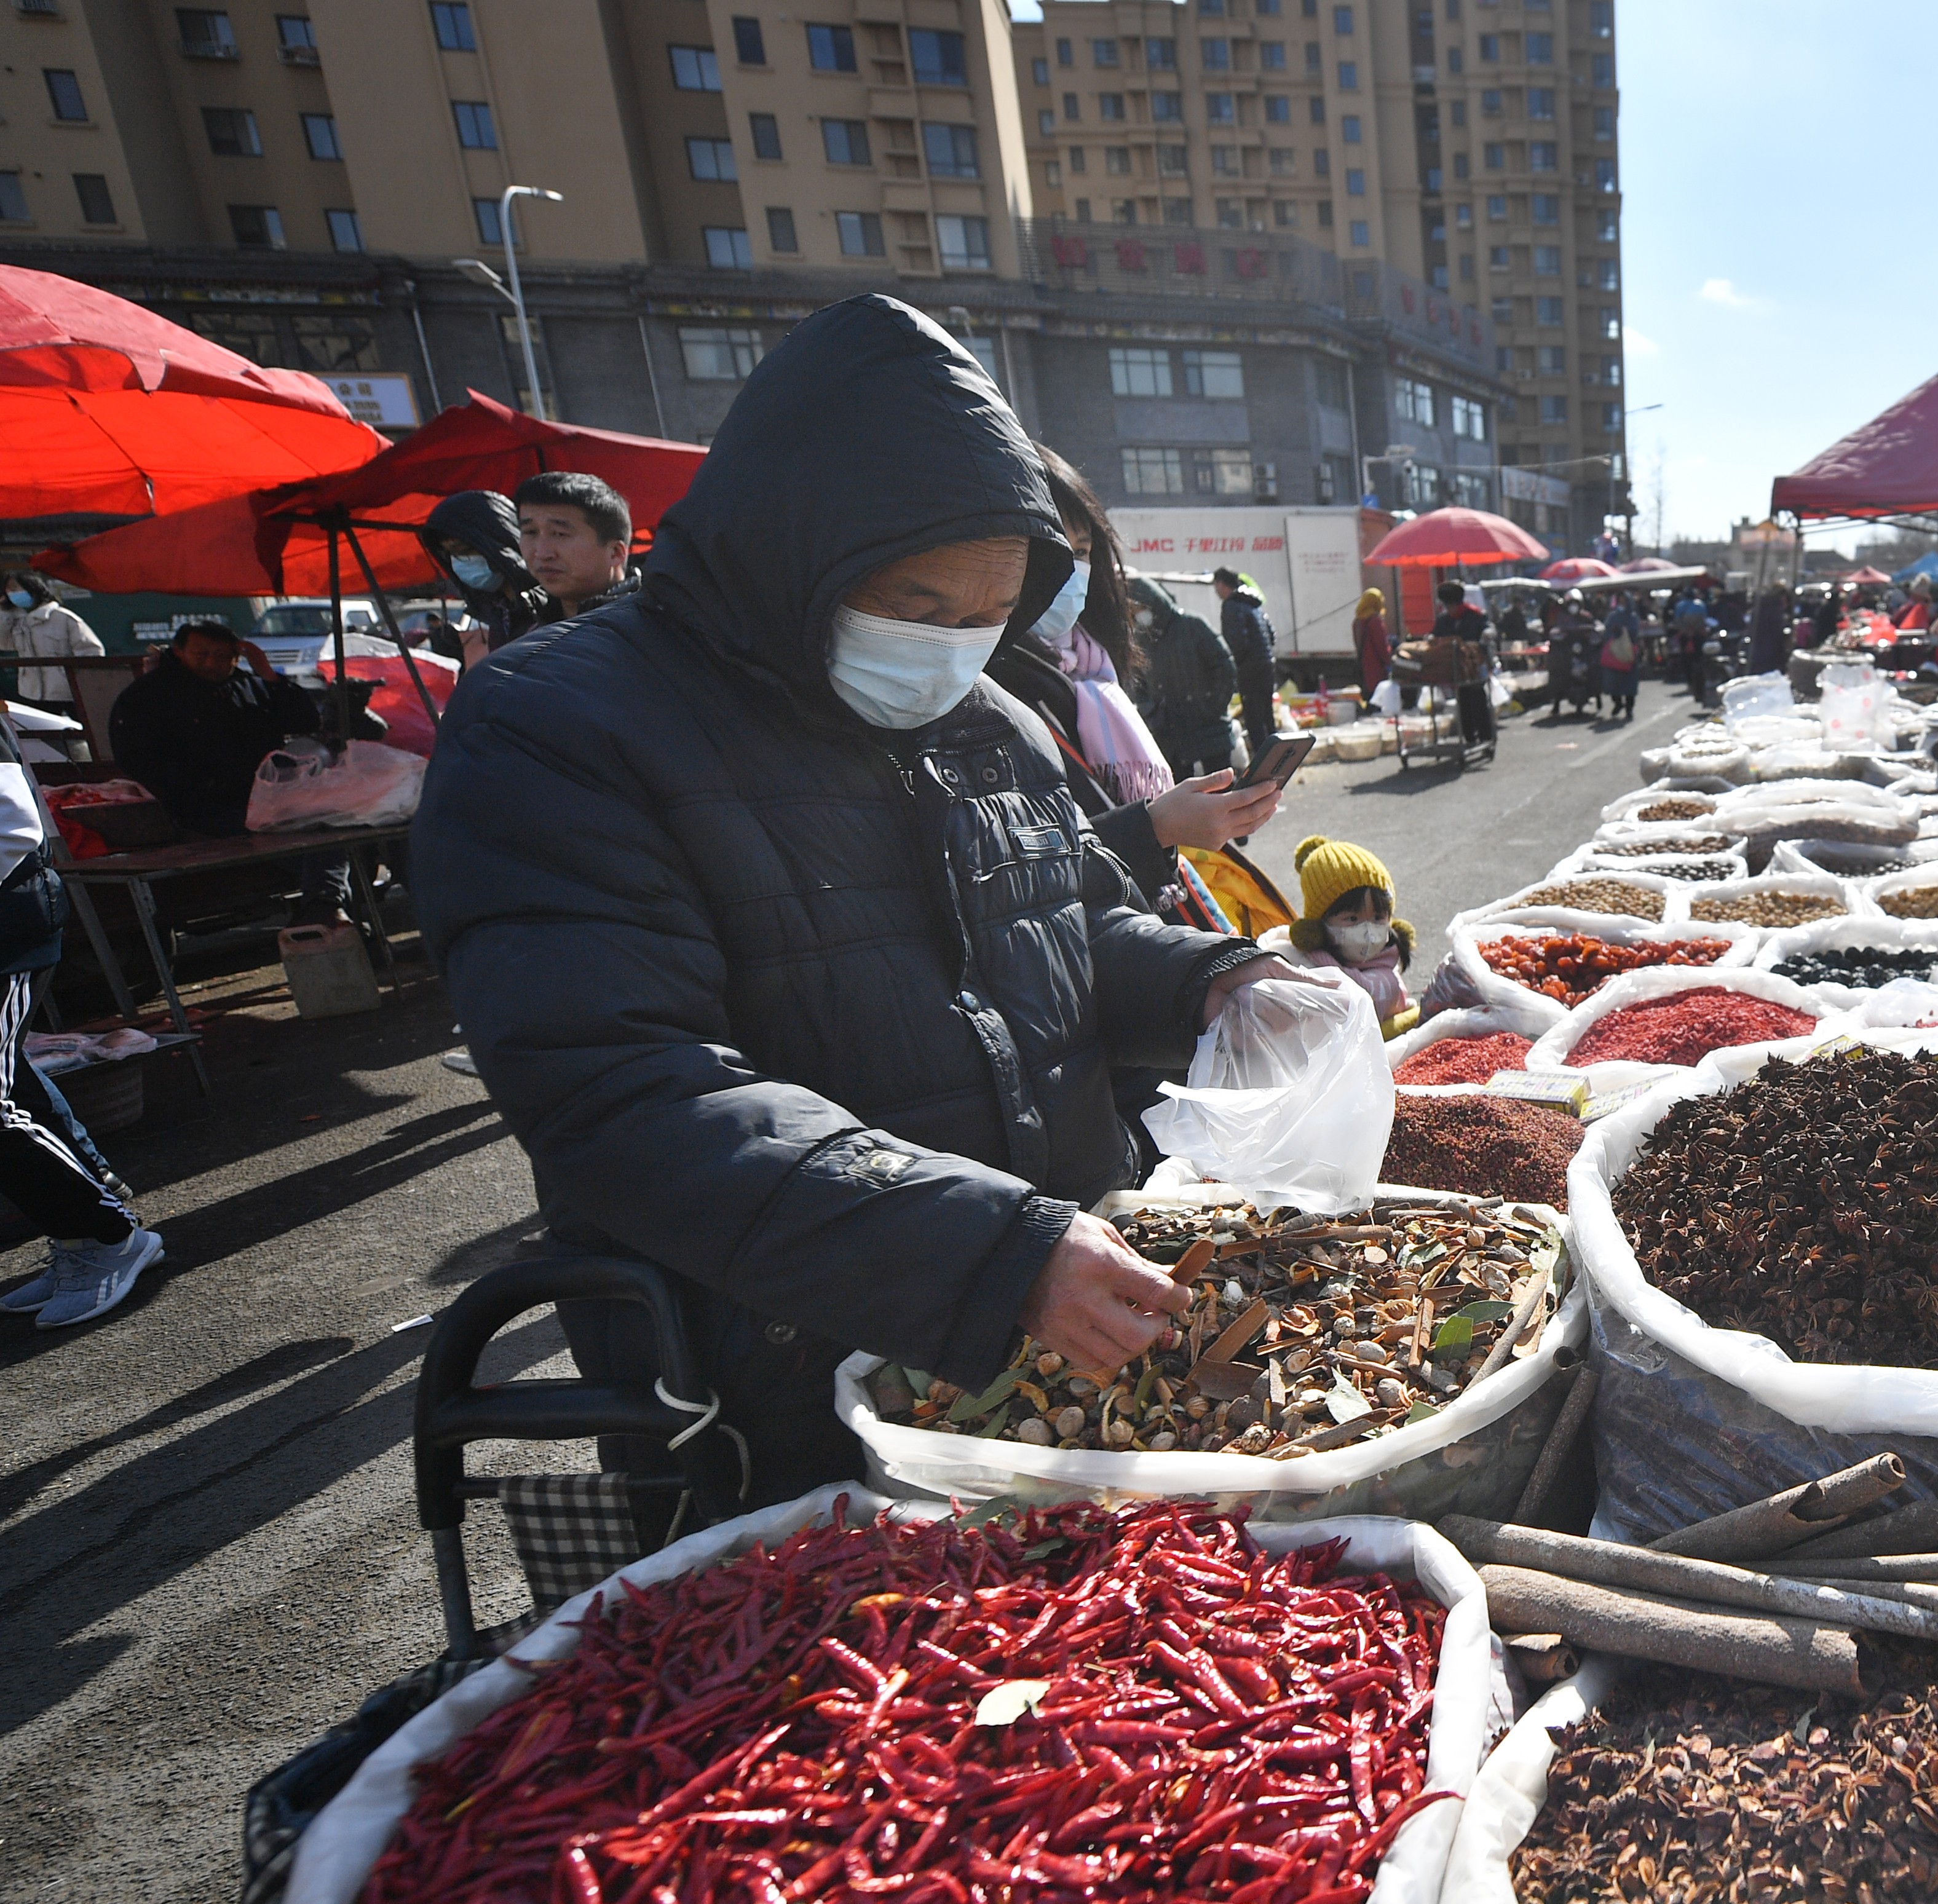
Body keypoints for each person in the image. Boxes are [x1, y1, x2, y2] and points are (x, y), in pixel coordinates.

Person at [415, 294, 1345, 1506]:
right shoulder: (560, 726)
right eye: (918, 610)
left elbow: (1065, 922)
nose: (953, 647)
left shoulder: (993, 720)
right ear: (794, 554)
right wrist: (984, 1249)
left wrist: (1210, 977)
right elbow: (620, 1084)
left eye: (986, 615)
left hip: (1049, 1329)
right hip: (779, 1374)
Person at [988, 449, 1280, 922]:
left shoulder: (1090, 662)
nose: (1071, 570)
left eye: (1082, 552)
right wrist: (1156, 826)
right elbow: (1023, 871)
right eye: (1053, 545)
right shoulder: (992, 683)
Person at [0, 750, 160, 1327]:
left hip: (7, 910)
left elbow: (14, 820)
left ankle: (108, 1236)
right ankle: (78, 1238)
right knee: (10, 1079)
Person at [105, 621, 318, 837]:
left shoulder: (249, 686)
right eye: (201, 654)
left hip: (264, 800)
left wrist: (268, 675)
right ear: (179, 652)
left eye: (221, 656)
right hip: (195, 812)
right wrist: (197, 790)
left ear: (236, 657)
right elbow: (135, 756)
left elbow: (305, 722)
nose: (211, 663)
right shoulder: (150, 694)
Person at [1280, 835, 1414, 1030]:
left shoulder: (1387, 971)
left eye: (1378, 918)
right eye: (1353, 919)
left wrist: (1315, 954)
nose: (1368, 930)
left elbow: (1359, 992)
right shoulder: (1308, 969)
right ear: (1319, 926)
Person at [421, 491, 563, 662]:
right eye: (451, 555)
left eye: (465, 551)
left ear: (500, 543)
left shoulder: (555, 604)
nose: (462, 563)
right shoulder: (498, 613)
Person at [1131, 572, 1240, 778]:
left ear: (1154, 603)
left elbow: (1225, 666)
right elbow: (1137, 684)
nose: (1139, 615)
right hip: (1171, 734)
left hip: (1209, 728)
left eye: (1141, 609)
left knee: (1222, 788)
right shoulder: (1143, 640)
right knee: (1183, 797)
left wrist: (1213, 706)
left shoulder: (1193, 626)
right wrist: (1152, 713)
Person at [512, 470, 638, 613]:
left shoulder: (651, 628)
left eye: (560, 534)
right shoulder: (520, 625)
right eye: (531, 532)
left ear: (615, 553)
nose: (542, 553)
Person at [4, 575, 103, 716]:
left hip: (67, 693)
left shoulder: (63, 618)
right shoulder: (20, 622)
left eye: (15, 589)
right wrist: (5, 612)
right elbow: (5, 644)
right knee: (40, 735)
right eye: (8, 591)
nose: (11, 594)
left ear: (31, 588)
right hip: (32, 693)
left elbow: (91, 651)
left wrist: (80, 683)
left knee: (81, 731)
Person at [1214, 566, 1278, 756]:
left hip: (1249, 669)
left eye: (1216, 585)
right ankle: (1277, 758)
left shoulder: (1231, 605)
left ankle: (1262, 764)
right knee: (1267, 714)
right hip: (1267, 664)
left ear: (1222, 584)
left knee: (1254, 718)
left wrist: (1234, 665)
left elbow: (1237, 642)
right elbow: (1271, 636)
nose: (1216, 591)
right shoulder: (1253, 602)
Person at [1431, 578, 1496, 758]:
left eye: (1452, 606)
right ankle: (1469, 740)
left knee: (1479, 705)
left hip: (1475, 668)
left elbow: (1489, 628)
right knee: (1464, 706)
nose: (1450, 610)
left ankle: (1487, 740)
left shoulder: (1475, 615)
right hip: (1455, 671)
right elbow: (1436, 636)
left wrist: (1487, 634)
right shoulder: (1444, 620)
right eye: (1447, 606)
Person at [1599, 597, 1644, 724]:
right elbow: (1606, 632)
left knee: (1630, 685)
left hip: (1629, 653)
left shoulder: (1633, 617)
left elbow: (1635, 633)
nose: (1621, 605)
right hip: (1614, 654)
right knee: (1613, 683)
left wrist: (1624, 631)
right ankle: (1618, 703)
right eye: (1620, 602)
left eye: (1624, 602)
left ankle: (1629, 709)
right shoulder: (1612, 617)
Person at [1352, 585, 1395, 702]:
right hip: (1376, 668)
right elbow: (1382, 647)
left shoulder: (1357, 622)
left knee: (1369, 699)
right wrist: (1389, 661)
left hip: (1364, 666)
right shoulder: (1375, 621)